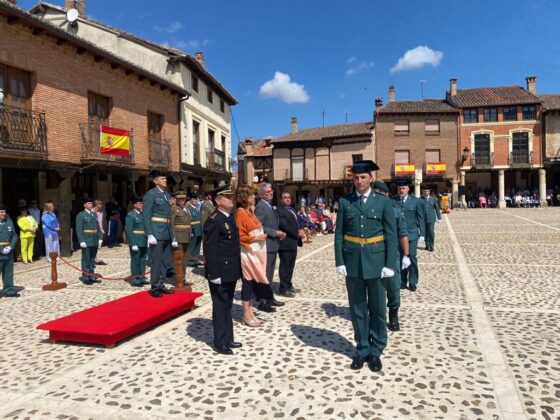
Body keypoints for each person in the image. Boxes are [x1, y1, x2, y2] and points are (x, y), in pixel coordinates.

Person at [334, 160, 397, 372]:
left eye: (363, 177)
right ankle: (362, 348)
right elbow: (339, 234)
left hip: (377, 262)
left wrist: (390, 263)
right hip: (353, 263)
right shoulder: (345, 202)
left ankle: (377, 349)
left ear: (371, 179)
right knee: (358, 308)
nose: (359, 181)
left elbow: (390, 234)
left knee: (378, 308)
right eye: (356, 178)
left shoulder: (383, 202)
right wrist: (339, 261)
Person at [203, 186, 243, 354]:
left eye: (231, 197)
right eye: (227, 197)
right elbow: (210, 249)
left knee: (227, 305)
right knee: (220, 305)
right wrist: (213, 273)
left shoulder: (229, 218)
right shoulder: (213, 220)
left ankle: (228, 337)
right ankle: (220, 342)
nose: (231, 199)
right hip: (220, 270)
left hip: (231, 269)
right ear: (218, 201)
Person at [373, 181, 410, 332]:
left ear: (387, 194)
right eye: (375, 194)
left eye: (380, 193)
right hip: (374, 254)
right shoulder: (370, 210)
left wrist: (406, 255)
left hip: (392, 254)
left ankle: (393, 314)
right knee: (375, 287)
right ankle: (377, 315)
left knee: (394, 287)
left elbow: (402, 234)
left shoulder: (395, 210)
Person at [235, 185, 268, 327]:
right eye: (251, 195)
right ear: (244, 198)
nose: (254, 197)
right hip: (247, 253)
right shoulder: (241, 213)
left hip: (255, 252)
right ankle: (246, 315)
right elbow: (239, 236)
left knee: (251, 283)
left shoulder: (250, 212)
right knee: (247, 284)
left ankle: (250, 313)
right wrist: (257, 238)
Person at [143, 170, 174, 298]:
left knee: (165, 261)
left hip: (166, 231)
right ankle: (154, 286)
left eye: (165, 179)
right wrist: (150, 234)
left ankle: (161, 284)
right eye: (162, 178)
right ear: (155, 181)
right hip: (156, 231)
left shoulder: (167, 195)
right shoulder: (151, 195)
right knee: (156, 261)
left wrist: (173, 236)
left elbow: (169, 217)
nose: (165, 180)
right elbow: (146, 215)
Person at [255, 182, 286, 312]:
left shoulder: (269, 206)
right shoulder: (261, 206)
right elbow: (259, 226)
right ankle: (262, 301)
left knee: (270, 274)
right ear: (262, 194)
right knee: (265, 274)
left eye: (271, 191)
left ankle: (269, 298)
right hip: (266, 245)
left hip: (273, 245)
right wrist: (275, 232)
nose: (271, 193)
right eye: (268, 192)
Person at [394, 180, 425, 292]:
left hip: (411, 235)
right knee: (401, 257)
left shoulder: (416, 202)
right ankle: (402, 281)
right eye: (399, 188)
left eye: (403, 188)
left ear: (408, 189)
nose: (401, 190)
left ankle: (412, 281)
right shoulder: (393, 201)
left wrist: (422, 234)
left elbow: (420, 218)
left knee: (411, 257)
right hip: (399, 235)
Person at [276, 191, 303, 298]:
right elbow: (284, 225)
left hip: (293, 242)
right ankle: (283, 288)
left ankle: (289, 284)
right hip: (285, 243)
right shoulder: (279, 211)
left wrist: (301, 228)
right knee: (285, 266)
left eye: (289, 197)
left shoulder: (291, 209)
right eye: (285, 197)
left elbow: (298, 221)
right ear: (281, 199)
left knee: (291, 266)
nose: (288, 199)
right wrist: (297, 233)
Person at [75, 197, 102, 285]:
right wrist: (81, 240)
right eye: (89, 203)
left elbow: (97, 228)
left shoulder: (94, 214)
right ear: (84, 205)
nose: (91, 205)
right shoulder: (81, 215)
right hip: (86, 239)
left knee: (92, 259)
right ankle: (86, 277)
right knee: (86, 259)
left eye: (91, 203)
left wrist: (100, 238)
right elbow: (79, 229)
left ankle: (91, 275)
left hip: (94, 239)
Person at [125, 197, 149, 287]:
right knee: (135, 260)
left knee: (143, 260)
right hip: (136, 240)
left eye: (142, 203)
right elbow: (129, 230)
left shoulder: (143, 215)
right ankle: (135, 279)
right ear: (135, 205)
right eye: (140, 203)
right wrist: (133, 243)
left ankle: (141, 277)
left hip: (143, 239)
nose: (142, 205)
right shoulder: (131, 215)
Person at [170, 191, 192, 285]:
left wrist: (190, 233)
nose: (182, 201)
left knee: (184, 259)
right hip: (178, 237)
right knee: (178, 258)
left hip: (186, 236)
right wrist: (173, 238)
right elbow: (171, 224)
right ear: (177, 200)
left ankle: (183, 278)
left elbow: (188, 222)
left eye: (183, 199)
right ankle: (178, 279)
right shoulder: (174, 209)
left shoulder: (186, 209)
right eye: (180, 200)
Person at [0, 205, 20, 297]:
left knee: (8, 272)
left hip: (8, 251)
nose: (3, 214)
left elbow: (14, 236)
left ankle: (8, 290)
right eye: (1, 212)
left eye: (4, 212)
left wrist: (10, 247)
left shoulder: (9, 222)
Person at [420, 186, 442, 252]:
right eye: (424, 191)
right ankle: (427, 245)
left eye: (427, 191)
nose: (425, 192)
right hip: (423, 219)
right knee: (425, 232)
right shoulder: (420, 199)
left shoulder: (433, 199)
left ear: (429, 192)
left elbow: (437, 209)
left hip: (431, 219)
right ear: (422, 192)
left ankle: (431, 246)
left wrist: (439, 217)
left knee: (431, 232)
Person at [186, 192, 202, 267]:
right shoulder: (188, 208)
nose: (196, 201)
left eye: (197, 199)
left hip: (198, 229)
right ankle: (190, 260)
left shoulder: (197, 208)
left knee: (197, 246)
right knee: (192, 246)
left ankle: (195, 259)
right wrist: (190, 231)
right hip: (193, 229)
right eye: (195, 199)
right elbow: (188, 221)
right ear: (191, 200)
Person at [92, 200, 107, 265]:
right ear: (96, 205)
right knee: (93, 246)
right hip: (93, 231)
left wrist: (102, 229)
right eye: (100, 204)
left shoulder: (101, 212)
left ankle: (98, 259)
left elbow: (101, 222)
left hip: (100, 231)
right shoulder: (91, 212)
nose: (101, 205)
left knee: (99, 245)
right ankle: (92, 259)